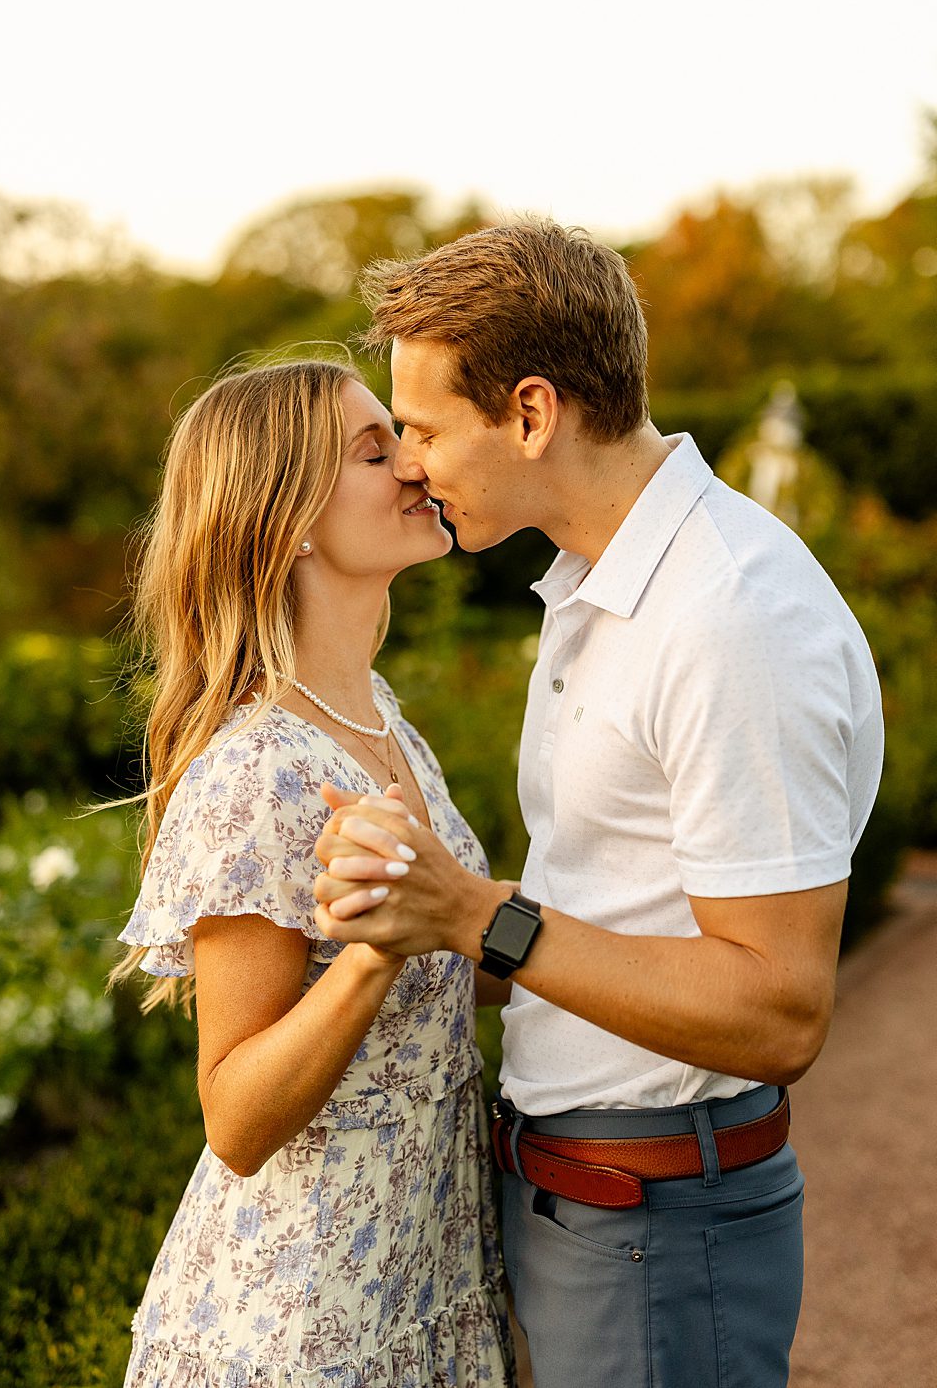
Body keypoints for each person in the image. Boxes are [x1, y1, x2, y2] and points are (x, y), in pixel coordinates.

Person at [312, 219, 884, 1388]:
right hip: (589, 1210)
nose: (408, 462)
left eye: (418, 428)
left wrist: (476, 915)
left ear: (529, 413)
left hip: (654, 1227)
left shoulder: (725, 616)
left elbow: (778, 1008)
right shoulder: (599, 584)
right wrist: (402, 923)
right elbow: (612, 907)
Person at [113, 358, 513, 1386]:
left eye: (405, 438)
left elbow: (449, 948)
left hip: (422, 1276)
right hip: (299, 1320)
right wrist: (372, 953)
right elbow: (235, 1117)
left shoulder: (379, 717)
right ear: (285, 518)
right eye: (373, 451)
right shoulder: (255, 772)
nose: (414, 468)